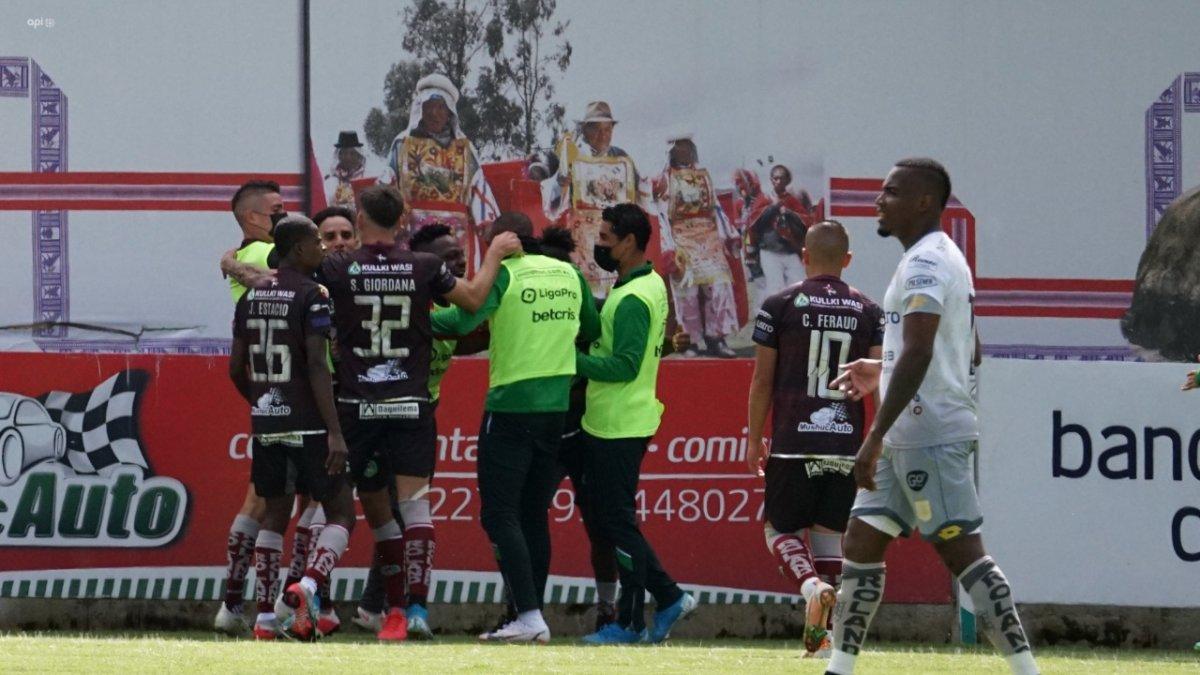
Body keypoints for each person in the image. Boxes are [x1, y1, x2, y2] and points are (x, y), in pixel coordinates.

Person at [824, 159, 1038, 675]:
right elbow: (968, 347)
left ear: (924, 202)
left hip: (929, 433)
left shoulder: (926, 262)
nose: (879, 201)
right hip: (907, 431)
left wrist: (873, 435)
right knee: (861, 541)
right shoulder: (933, 257)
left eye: (891, 192)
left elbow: (920, 350)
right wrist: (882, 367)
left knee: (962, 553)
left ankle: (1027, 670)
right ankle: (839, 669)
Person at [318, 184, 519, 642]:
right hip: (411, 405)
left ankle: (387, 608)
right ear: (401, 220)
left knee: (377, 515)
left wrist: (237, 266)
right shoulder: (424, 266)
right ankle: (415, 611)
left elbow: (284, 274)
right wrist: (493, 255)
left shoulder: (339, 266)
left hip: (358, 407)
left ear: (360, 219)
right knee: (416, 508)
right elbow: (473, 300)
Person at [432, 212, 601, 643]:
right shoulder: (569, 273)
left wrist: (417, 317)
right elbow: (591, 327)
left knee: (499, 514)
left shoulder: (505, 274)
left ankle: (527, 616)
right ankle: (530, 614)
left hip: (511, 404)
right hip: (557, 408)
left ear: (499, 241)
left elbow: (462, 323)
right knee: (532, 514)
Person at [745, 220, 884, 657]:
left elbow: (762, 381)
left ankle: (810, 587)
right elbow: (880, 384)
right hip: (846, 445)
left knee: (778, 529)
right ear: (848, 260)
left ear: (803, 256)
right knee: (828, 538)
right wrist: (876, 440)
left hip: (793, 443)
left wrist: (754, 439)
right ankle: (822, 641)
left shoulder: (778, 305)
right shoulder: (870, 311)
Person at [351, 222, 482, 638]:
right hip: (383, 417)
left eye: (460, 255)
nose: (458, 263)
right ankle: (350, 603)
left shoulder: (448, 311)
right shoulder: (417, 312)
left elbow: (474, 332)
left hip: (419, 418)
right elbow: (471, 320)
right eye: (447, 258)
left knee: (399, 516)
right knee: (384, 515)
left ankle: (374, 606)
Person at [227, 216, 355, 641]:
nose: (323, 247)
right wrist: (334, 431)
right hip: (310, 424)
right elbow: (318, 364)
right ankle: (308, 586)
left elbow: (235, 368)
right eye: (317, 241)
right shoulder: (313, 295)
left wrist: (263, 402)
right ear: (299, 249)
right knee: (341, 513)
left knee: (274, 515)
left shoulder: (250, 297)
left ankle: (265, 618)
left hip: (268, 423)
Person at [572, 203, 695, 644]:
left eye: (606, 238)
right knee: (614, 522)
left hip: (618, 424)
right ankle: (669, 598)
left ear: (629, 242)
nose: (598, 244)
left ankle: (630, 623)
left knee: (617, 525)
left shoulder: (632, 299)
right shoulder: (646, 282)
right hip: (619, 419)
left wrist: (569, 360)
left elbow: (625, 365)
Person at [213, 179, 287, 635]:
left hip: (270, 387)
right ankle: (286, 602)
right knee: (310, 498)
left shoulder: (244, 256)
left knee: (264, 498)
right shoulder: (263, 254)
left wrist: (227, 261)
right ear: (254, 218)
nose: (286, 214)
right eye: (278, 209)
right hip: (297, 385)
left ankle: (234, 603)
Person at [381, 73, 499, 272]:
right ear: (420, 109)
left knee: (456, 278)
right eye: (429, 107)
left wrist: (488, 224)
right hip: (413, 232)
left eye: (440, 107)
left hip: (457, 233)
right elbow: (387, 185)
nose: (434, 113)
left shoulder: (465, 148)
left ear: (449, 112)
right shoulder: (402, 144)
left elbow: (478, 187)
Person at [544, 101, 651, 297]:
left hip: (617, 241)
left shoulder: (622, 158)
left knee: (620, 294)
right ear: (585, 130)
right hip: (584, 243)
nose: (603, 135)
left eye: (607, 129)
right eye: (597, 129)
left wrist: (652, 192)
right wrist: (561, 184)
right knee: (591, 297)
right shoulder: (574, 157)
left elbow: (643, 196)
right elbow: (552, 207)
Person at [654, 135, 741, 358]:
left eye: (687, 148)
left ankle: (716, 338)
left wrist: (730, 234)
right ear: (671, 152)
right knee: (686, 293)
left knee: (719, 287)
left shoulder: (704, 177)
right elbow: (662, 215)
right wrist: (667, 248)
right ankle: (689, 340)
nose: (683, 152)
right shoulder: (665, 180)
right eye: (679, 148)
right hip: (681, 240)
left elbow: (716, 209)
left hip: (709, 241)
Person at [748, 165, 811, 297]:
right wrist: (773, 208)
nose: (778, 181)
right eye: (775, 178)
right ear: (771, 180)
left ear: (787, 180)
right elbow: (755, 223)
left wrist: (789, 213)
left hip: (789, 250)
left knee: (800, 286)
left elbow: (805, 221)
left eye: (781, 178)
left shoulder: (791, 200)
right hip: (769, 250)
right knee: (775, 289)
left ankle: (794, 310)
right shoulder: (764, 198)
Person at [325, 131, 367, 210]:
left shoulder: (367, 176)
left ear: (359, 156)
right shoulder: (331, 181)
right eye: (344, 153)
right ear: (339, 156)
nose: (348, 157)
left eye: (352, 153)